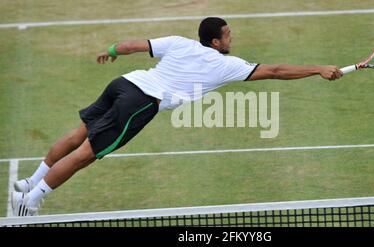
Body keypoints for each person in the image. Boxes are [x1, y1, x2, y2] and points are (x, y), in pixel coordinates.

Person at [11, 17, 343, 216]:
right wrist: (318, 69)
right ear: (215, 41)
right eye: (228, 34)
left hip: (123, 83)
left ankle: (28, 182)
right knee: (86, 154)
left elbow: (130, 47)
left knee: (77, 134)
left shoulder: (180, 43)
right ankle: (31, 200)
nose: (232, 38)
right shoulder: (227, 65)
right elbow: (275, 70)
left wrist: (110, 51)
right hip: (141, 102)